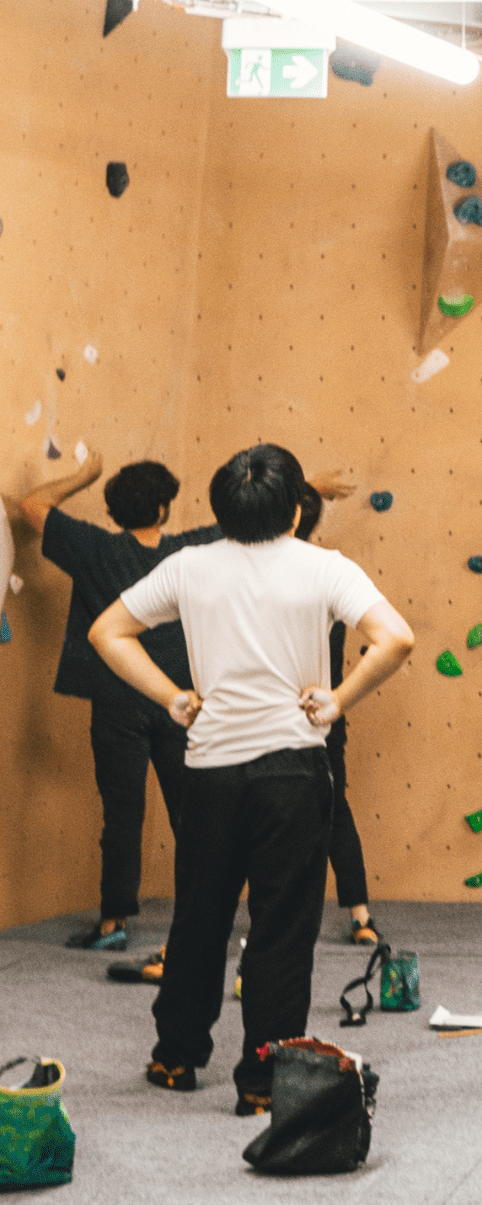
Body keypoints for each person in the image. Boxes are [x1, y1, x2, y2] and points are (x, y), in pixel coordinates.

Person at [88, 445, 413, 1115]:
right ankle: (263, 1080)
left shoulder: (190, 564)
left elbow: (107, 631)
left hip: (210, 771)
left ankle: (175, 1056)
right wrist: (340, 698)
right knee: (282, 929)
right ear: (297, 509)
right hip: (293, 771)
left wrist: (172, 697)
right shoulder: (325, 567)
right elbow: (396, 639)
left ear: (220, 508)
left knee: (199, 917)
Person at [18, 453, 348, 960]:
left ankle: (113, 920)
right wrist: (312, 486)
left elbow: (31, 504)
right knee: (193, 817)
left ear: (112, 510)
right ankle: (197, 916)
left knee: (122, 812)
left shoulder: (92, 548)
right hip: (186, 703)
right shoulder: (192, 549)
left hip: (118, 701)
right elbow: (249, 514)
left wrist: (85, 474)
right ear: (166, 509)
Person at [293, 484, 379, 947]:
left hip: (285, 712)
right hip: (324, 710)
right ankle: (361, 915)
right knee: (332, 808)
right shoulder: (332, 571)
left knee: (253, 812)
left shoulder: (272, 577)